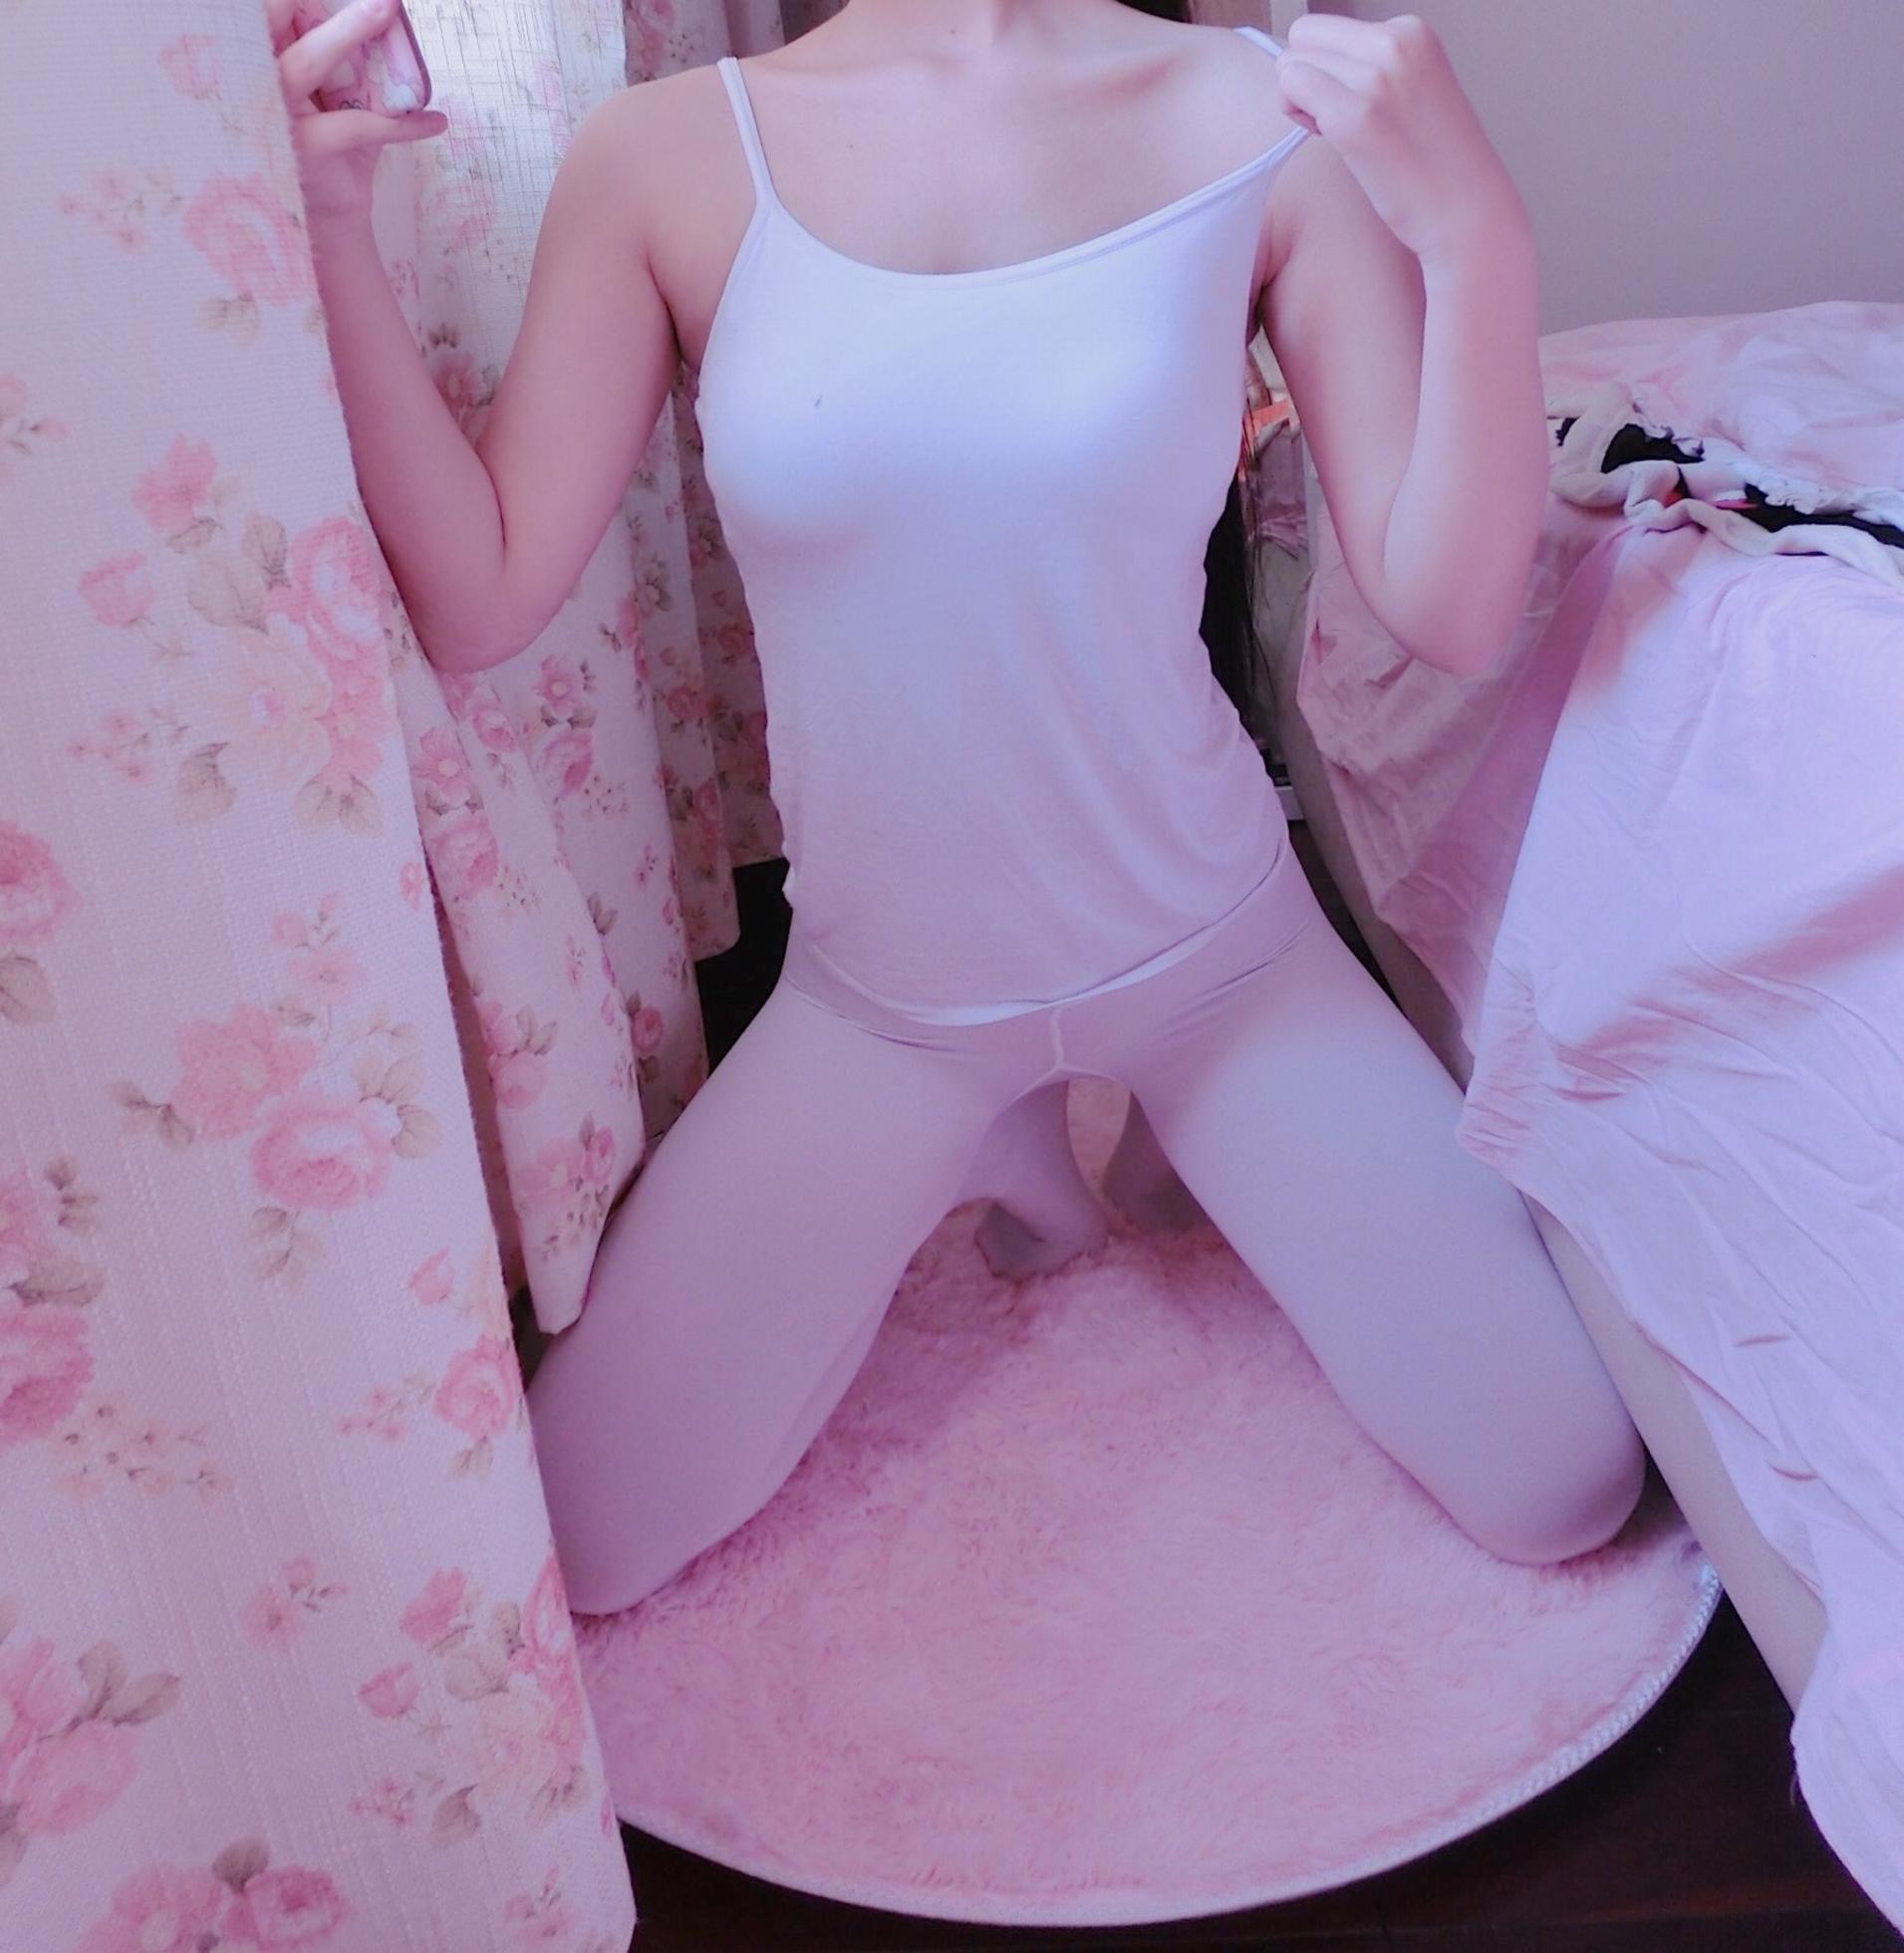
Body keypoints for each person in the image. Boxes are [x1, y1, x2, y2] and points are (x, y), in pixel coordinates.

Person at [281, 0, 1646, 1616]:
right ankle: (1009, 1134)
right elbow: (486, 594)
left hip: (1220, 961)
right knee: (584, 1539)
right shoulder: (661, 155)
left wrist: (1478, 232)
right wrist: (331, 234)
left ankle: (1163, 1126)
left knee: (1563, 1482)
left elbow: (1455, 613)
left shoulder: (1258, 114)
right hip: (887, 1006)